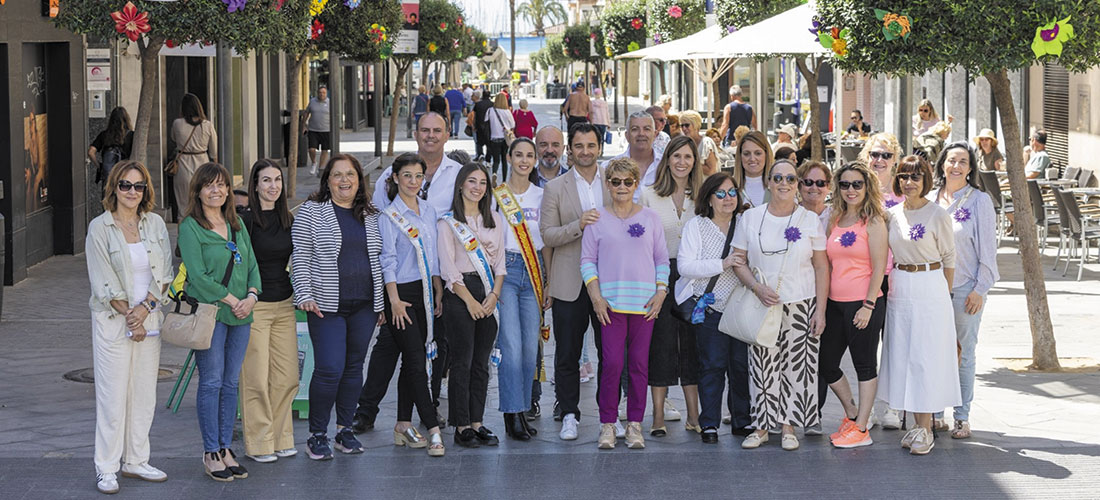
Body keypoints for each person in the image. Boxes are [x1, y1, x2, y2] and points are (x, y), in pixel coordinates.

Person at [359, 113, 462, 432]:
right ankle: (367, 411)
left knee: (435, 346)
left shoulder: (458, 174)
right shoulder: (389, 178)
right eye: (425, 130)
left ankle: (420, 411)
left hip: (439, 279)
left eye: (437, 131)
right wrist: (385, 293)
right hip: (399, 282)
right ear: (416, 134)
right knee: (389, 347)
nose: (431, 136)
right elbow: (376, 232)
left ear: (447, 135)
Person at [291, 154, 385, 461]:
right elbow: (301, 256)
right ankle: (317, 434)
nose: (344, 181)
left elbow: (380, 260)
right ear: (327, 180)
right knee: (330, 368)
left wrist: (382, 301)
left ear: (359, 180)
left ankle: (345, 430)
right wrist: (304, 292)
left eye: (350, 175)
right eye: (337, 175)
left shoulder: (371, 215)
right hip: (325, 305)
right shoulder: (311, 212)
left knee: (354, 367)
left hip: (365, 305)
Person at [86, 160, 172, 494]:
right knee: (112, 397)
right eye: (125, 185)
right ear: (113, 188)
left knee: (144, 394)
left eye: (138, 186)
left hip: (148, 318)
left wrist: (145, 309)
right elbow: (102, 283)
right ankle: (106, 467)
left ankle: (136, 460)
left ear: (146, 190)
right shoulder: (100, 228)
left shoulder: (155, 224)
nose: (132, 192)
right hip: (112, 322)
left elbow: (164, 273)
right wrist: (129, 316)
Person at [731, 159, 828, 451]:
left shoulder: (809, 219)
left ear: (797, 184)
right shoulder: (750, 218)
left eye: (790, 178)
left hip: (802, 301)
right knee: (761, 364)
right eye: (778, 178)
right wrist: (756, 287)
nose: (784, 183)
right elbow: (738, 261)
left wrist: (820, 310)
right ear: (769, 183)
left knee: (798, 366)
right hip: (763, 302)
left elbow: (822, 267)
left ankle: (789, 426)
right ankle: (761, 426)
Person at [177, 162, 261, 480]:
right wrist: (232, 299)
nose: (217, 191)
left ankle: (226, 448)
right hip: (212, 316)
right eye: (210, 185)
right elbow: (197, 277)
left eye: (222, 185)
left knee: (229, 383)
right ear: (197, 191)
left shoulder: (236, 223)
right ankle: (211, 451)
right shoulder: (190, 227)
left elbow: (251, 264)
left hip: (242, 316)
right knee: (211, 383)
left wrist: (251, 296)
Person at [581, 157, 671, 449]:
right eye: (616, 181)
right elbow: (587, 261)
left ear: (636, 184)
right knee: (612, 364)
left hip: (645, 306)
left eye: (627, 182)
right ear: (607, 185)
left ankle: (634, 424)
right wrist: (596, 296)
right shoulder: (596, 218)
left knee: (638, 365)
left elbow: (661, 259)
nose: (622, 187)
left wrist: (661, 292)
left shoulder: (650, 218)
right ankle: (607, 425)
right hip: (611, 306)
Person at [879, 155, 960, 455]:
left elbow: (950, 259)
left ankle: (926, 428)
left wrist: (944, 295)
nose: (908, 182)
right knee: (903, 354)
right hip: (900, 285)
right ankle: (916, 424)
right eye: (903, 176)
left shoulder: (938, 215)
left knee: (925, 356)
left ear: (926, 180)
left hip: (931, 284)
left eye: (915, 177)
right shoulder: (893, 214)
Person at [540, 123, 611, 441]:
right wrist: (577, 225)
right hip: (569, 281)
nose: (585, 151)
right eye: (579, 146)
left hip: (609, 282)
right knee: (567, 352)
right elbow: (547, 235)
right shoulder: (555, 188)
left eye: (591, 145)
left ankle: (610, 416)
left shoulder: (614, 181)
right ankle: (569, 412)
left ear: (599, 148)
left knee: (609, 353)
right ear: (570, 150)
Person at [376, 153, 446, 456]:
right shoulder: (388, 216)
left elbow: (431, 256)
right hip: (401, 295)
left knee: (412, 361)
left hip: (426, 293)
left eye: (419, 176)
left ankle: (403, 424)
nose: (413, 182)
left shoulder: (429, 211)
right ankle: (433, 428)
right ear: (395, 178)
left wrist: (438, 288)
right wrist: (393, 301)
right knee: (418, 362)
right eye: (407, 176)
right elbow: (387, 261)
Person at [931, 142, 999, 439]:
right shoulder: (930, 199)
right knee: (933, 352)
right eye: (951, 160)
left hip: (965, 289)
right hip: (931, 290)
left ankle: (961, 416)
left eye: (962, 161)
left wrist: (979, 290)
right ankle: (934, 413)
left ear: (970, 168)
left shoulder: (979, 201)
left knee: (963, 354)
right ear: (942, 164)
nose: (956, 166)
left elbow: (989, 253)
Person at [639, 136, 706, 437]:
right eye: (676, 156)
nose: (682, 162)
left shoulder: (703, 196)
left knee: (692, 344)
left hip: (695, 276)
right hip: (659, 275)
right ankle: (657, 417)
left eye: (688, 157)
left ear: (695, 161)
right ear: (666, 160)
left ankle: (694, 415)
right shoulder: (649, 195)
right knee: (661, 345)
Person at [676, 172, 750, 443]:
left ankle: (743, 420)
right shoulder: (697, 225)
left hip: (741, 310)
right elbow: (685, 266)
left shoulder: (745, 223)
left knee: (741, 366)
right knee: (712, 366)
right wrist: (724, 263)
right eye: (720, 193)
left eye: (732, 193)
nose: (727, 198)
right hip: (709, 308)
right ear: (709, 197)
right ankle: (709, 423)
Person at [437, 162, 507, 448]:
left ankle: (477, 422)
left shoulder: (495, 219)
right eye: (471, 181)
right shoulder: (447, 223)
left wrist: (492, 297)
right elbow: (448, 269)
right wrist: (470, 302)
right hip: (460, 295)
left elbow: (500, 264)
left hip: (489, 292)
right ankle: (461, 424)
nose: (477, 187)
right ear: (461, 185)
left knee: (482, 363)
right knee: (462, 362)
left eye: (482, 183)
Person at [820, 162, 889, 449]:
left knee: (864, 365)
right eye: (845, 184)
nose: (851, 190)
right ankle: (853, 413)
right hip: (835, 304)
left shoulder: (873, 221)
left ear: (867, 187)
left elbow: (879, 267)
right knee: (826, 363)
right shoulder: (834, 219)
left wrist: (868, 305)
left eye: (857, 184)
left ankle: (861, 429)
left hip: (863, 304)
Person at [238, 160, 298, 464]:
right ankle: (260, 442)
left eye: (277, 180)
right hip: (256, 306)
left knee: (287, 377)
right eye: (266, 181)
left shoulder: (289, 218)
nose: (273, 186)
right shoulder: (245, 220)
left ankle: (281, 436)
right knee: (256, 379)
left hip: (285, 304)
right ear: (255, 185)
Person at [493, 139, 549, 441]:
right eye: (519, 155)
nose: (525, 160)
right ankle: (511, 414)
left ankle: (524, 409)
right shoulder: (496, 196)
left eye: (530, 155)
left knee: (531, 347)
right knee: (511, 345)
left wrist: (548, 278)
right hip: (506, 271)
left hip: (535, 270)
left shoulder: (543, 195)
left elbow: (548, 240)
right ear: (509, 157)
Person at [170, 93, 218, 215]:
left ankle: (184, 231)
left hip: (183, 164)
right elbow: (214, 151)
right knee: (204, 203)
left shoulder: (177, 124)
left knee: (183, 205)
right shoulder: (207, 125)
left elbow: (173, 138)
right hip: (203, 163)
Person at [605, 111, 661, 201]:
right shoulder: (608, 167)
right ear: (627, 136)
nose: (641, 134)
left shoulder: (666, 165)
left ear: (655, 135)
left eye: (646, 129)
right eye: (635, 129)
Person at [88, 106, 134, 186]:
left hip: (109, 177)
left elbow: (91, 152)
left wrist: (100, 166)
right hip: (125, 175)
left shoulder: (104, 135)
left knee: (108, 196)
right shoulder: (131, 135)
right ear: (126, 119)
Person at [734, 131, 774, 208]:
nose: (752, 159)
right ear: (740, 156)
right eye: (746, 154)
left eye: (758, 153)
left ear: (766, 155)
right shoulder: (730, 188)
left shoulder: (779, 187)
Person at [679, 110, 719, 175]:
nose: (684, 128)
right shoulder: (684, 143)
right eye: (681, 126)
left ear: (695, 125)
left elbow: (711, 171)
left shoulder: (706, 143)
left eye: (687, 125)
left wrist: (691, 163)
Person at [486, 93, 516, 178]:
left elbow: (485, 121)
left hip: (494, 138)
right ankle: (503, 180)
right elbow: (513, 124)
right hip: (505, 138)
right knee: (504, 160)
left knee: (496, 160)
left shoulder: (490, 110)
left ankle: (494, 173)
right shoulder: (507, 112)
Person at [799, 161, 833, 232]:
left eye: (820, 183)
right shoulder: (790, 215)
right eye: (808, 182)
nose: (814, 187)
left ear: (828, 186)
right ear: (799, 186)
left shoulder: (836, 216)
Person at [305, 87, 332, 176]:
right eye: (320, 92)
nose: (321, 94)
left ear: (326, 93)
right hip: (313, 130)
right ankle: (314, 162)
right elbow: (306, 113)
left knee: (325, 150)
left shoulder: (330, 103)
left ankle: (320, 168)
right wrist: (304, 125)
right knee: (311, 149)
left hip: (326, 130)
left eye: (323, 92)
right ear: (317, 93)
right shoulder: (312, 102)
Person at [474, 91, 494, 162]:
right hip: (489, 126)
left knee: (479, 142)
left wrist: (474, 125)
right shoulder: (492, 104)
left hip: (479, 125)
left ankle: (480, 154)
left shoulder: (478, 104)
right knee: (489, 143)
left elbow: (475, 115)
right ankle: (488, 158)